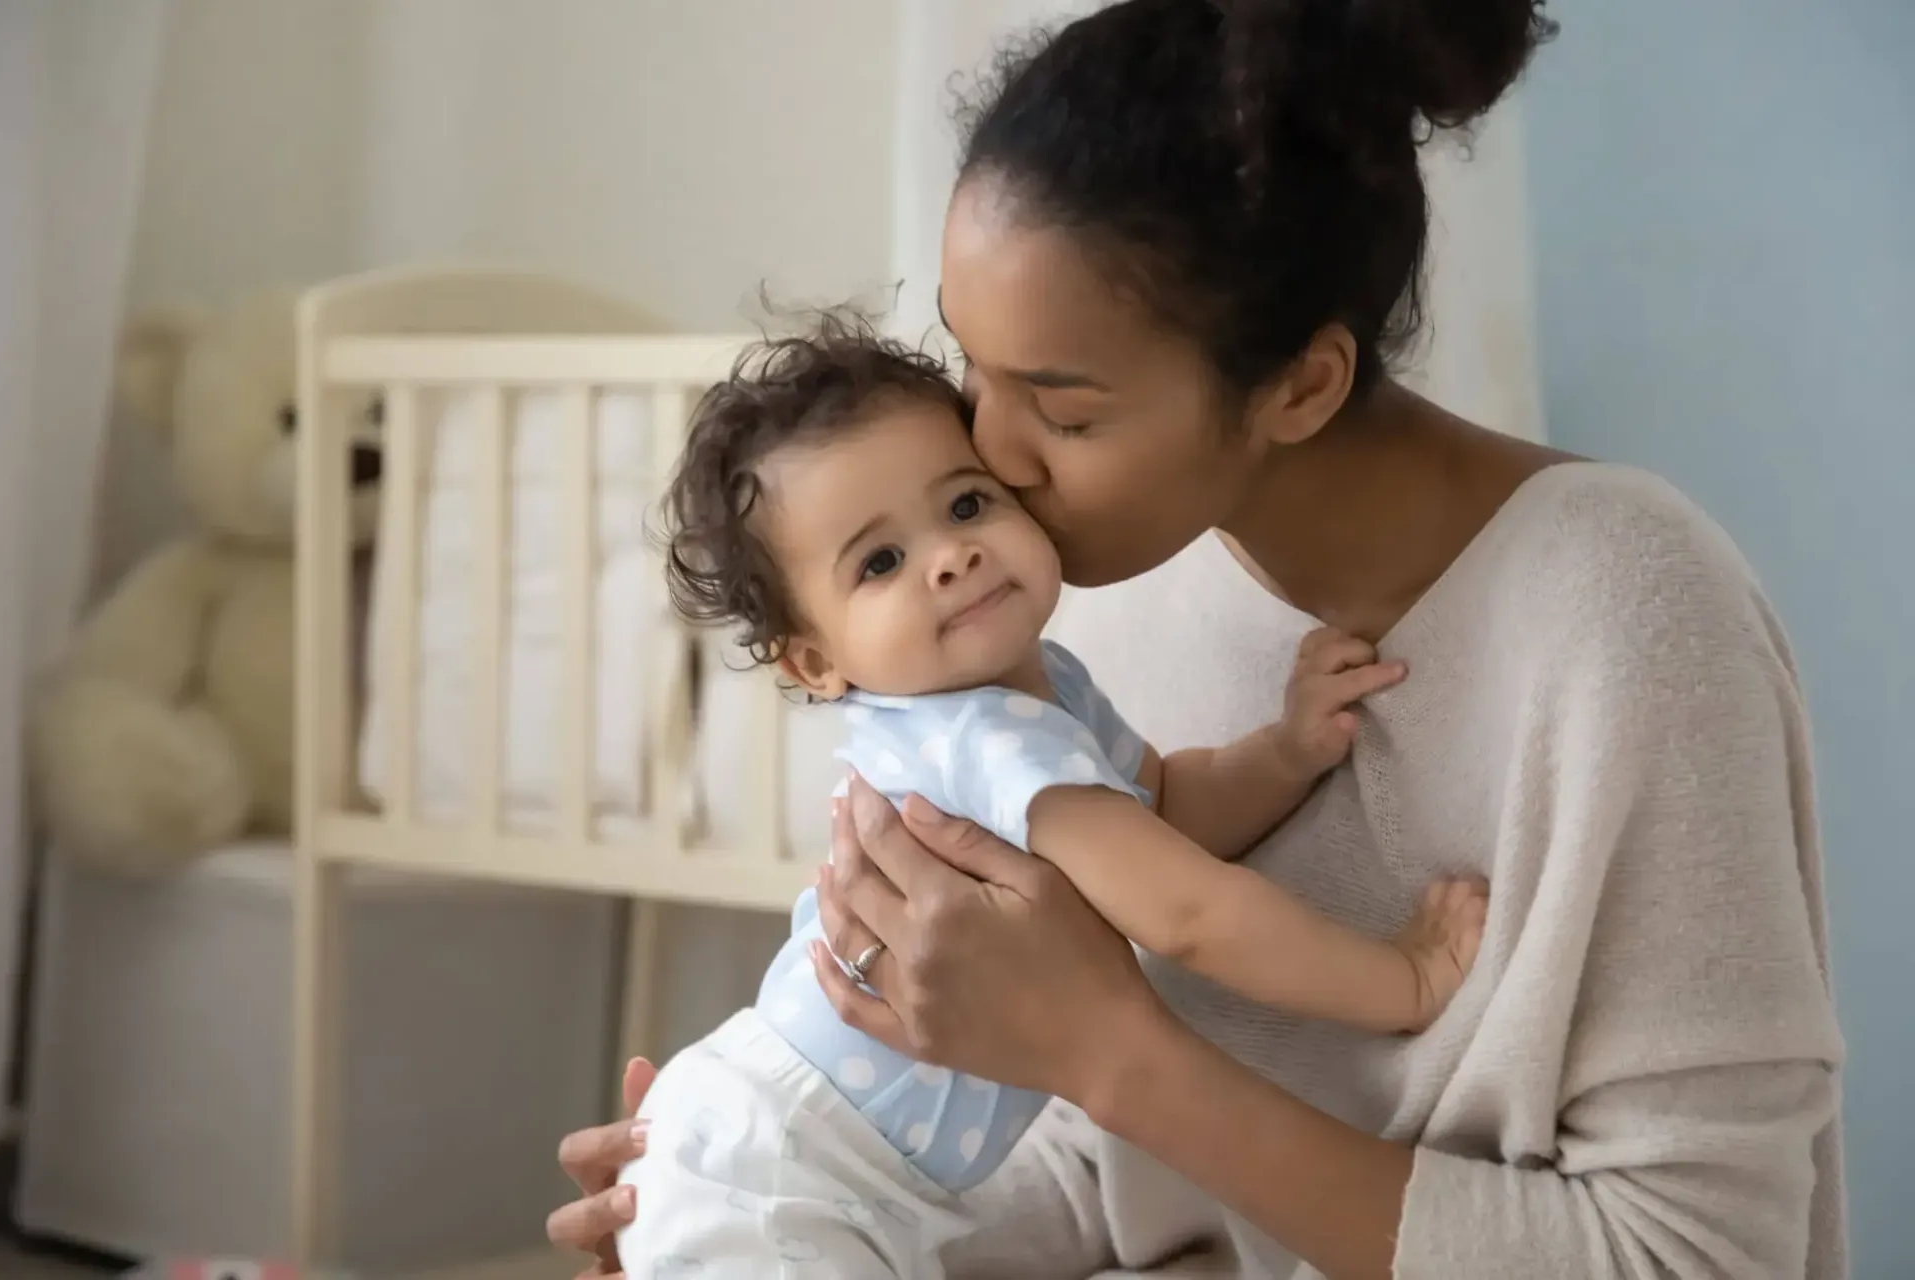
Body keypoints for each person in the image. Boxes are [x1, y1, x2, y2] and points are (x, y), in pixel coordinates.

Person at [549, 0, 1848, 1276]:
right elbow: (1109, 1175)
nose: (987, 460)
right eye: (969, 369)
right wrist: (776, 1197)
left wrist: (1116, 1054)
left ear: (1300, 386)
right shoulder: (1078, 590)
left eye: (1059, 410)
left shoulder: (1625, 608)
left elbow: (1700, 1256)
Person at [613, 313, 1486, 1275]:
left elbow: (1163, 808)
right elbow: (1189, 911)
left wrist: (1284, 751)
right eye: (881, 563)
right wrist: (1400, 981)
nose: (951, 555)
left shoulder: (1044, 686)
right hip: (786, 1169)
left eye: (967, 504)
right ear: (820, 661)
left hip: (798, 1161)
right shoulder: (985, 739)